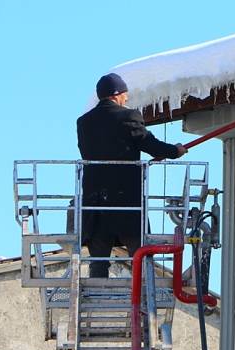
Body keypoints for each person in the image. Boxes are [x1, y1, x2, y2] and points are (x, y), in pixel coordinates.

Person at [77, 73, 187, 277]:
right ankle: (144, 295)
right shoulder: (128, 117)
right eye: (124, 94)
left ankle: (99, 294)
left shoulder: (83, 122)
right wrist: (174, 151)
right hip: (127, 203)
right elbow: (150, 144)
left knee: (98, 263)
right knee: (141, 256)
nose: (126, 99)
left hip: (95, 204)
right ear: (116, 95)